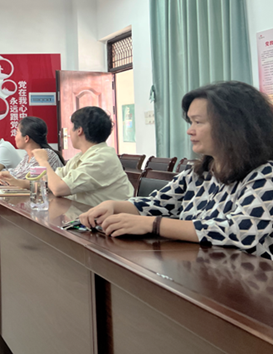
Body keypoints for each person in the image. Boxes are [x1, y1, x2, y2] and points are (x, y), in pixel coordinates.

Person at [79, 81, 273, 260]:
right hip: (202, 269)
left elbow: (241, 231)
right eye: (190, 122)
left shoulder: (266, 174)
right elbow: (158, 204)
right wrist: (114, 206)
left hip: (251, 279)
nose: (190, 130)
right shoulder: (198, 173)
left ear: (234, 125)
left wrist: (153, 224)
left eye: (198, 122)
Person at [33, 106, 133, 205]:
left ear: (79, 131)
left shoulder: (102, 158)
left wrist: (43, 161)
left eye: (71, 128)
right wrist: (23, 183)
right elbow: (51, 182)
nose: (69, 133)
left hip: (111, 215)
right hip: (85, 212)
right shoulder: (82, 156)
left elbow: (58, 189)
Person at [0, 116, 65, 187]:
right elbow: (16, 172)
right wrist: (4, 174)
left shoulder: (46, 154)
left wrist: (5, 175)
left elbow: (24, 178)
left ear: (26, 138)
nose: (15, 137)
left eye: (17, 133)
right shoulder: (27, 156)